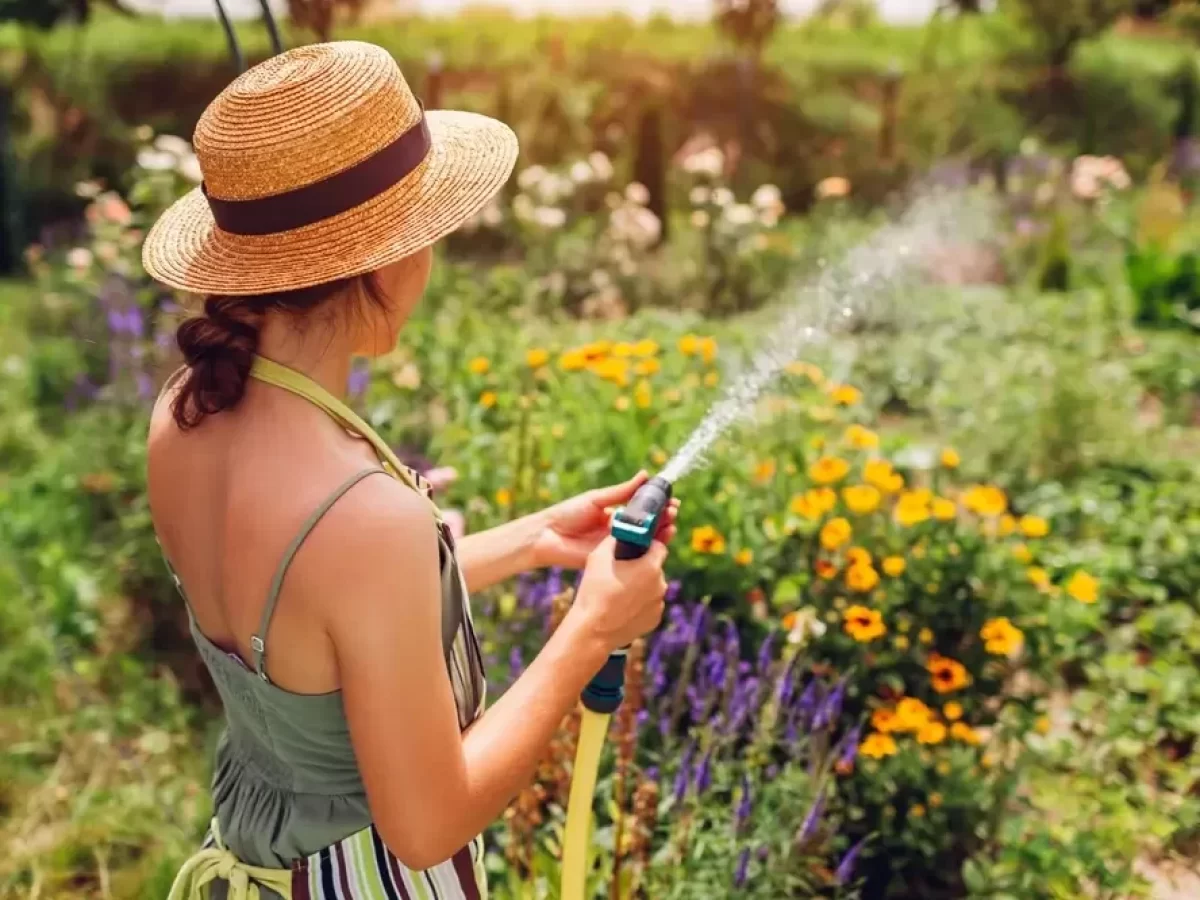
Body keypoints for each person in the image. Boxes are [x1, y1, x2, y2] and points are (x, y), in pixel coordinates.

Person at [143, 41, 678, 900]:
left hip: (253, 860)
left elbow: (316, 631)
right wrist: (589, 631)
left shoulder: (182, 416)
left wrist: (531, 540)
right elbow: (427, 825)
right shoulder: (359, 516)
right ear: (386, 257)